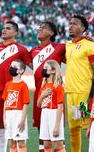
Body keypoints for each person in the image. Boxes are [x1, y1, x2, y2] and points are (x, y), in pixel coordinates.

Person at [0, 21, 31, 152]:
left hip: (14, 92)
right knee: (0, 125)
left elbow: (33, 66)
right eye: (3, 28)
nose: (4, 30)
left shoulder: (21, 49)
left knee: (17, 129)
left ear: (16, 32)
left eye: (8, 28)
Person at [65, 15, 94, 152]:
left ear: (83, 28)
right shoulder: (67, 45)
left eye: (74, 24)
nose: (71, 26)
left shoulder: (89, 45)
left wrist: (92, 94)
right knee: (74, 129)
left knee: (88, 128)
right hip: (71, 93)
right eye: (70, 23)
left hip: (83, 94)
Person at [30, 22, 65, 152]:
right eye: (39, 27)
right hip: (40, 94)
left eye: (43, 28)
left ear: (51, 33)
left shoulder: (60, 47)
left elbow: (75, 55)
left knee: (57, 136)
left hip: (54, 94)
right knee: (42, 131)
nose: (39, 29)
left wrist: (84, 38)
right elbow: (27, 64)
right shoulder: (33, 51)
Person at [37, 60, 65, 152]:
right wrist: (42, 95)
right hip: (44, 114)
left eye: (46, 68)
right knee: (46, 145)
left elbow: (60, 106)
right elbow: (38, 104)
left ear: (53, 71)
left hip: (54, 113)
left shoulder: (58, 86)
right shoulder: (43, 86)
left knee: (58, 146)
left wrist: (57, 125)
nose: (43, 70)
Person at [2, 59, 30, 152]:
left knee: (21, 143)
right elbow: (5, 102)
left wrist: (22, 119)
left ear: (21, 71)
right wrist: (4, 118)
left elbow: (26, 104)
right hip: (9, 116)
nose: (11, 68)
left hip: (18, 115)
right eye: (11, 66)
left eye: (14, 66)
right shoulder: (8, 84)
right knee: (12, 143)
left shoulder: (23, 85)